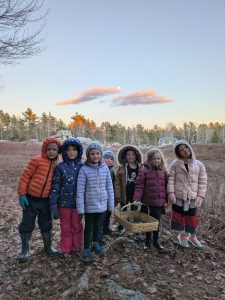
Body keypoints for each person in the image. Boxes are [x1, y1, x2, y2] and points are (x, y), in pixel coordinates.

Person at [17, 137, 61, 263]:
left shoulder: (56, 166)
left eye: (54, 149)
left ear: (58, 152)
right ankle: (25, 249)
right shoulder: (36, 161)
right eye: (49, 149)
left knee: (46, 224)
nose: (51, 152)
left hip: (46, 201)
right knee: (27, 224)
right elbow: (25, 177)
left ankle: (48, 247)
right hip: (31, 199)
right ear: (44, 149)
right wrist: (22, 194)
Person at [76, 142, 114, 262]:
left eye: (98, 153)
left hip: (102, 205)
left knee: (98, 226)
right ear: (88, 155)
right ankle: (86, 248)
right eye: (92, 154)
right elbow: (80, 190)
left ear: (101, 155)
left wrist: (110, 205)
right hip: (89, 206)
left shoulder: (105, 169)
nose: (95, 156)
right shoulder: (84, 169)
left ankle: (95, 243)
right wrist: (81, 209)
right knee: (89, 227)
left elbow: (109, 187)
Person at [167, 140, 207, 248]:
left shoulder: (199, 165)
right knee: (180, 216)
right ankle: (182, 235)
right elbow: (170, 179)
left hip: (192, 198)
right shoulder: (175, 164)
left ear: (190, 147)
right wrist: (171, 193)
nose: (185, 150)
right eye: (181, 149)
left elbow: (203, 181)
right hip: (178, 197)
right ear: (178, 152)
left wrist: (200, 195)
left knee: (192, 217)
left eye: (186, 147)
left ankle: (193, 236)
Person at [50, 137, 84, 256]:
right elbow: (55, 186)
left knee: (77, 226)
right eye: (69, 149)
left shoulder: (82, 166)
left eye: (74, 149)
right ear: (64, 151)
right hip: (64, 204)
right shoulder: (60, 167)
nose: (71, 152)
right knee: (65, 227)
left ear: (79, 151)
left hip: (78, 205)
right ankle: (65, 248)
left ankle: (77, 246)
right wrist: (53, 205)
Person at [133, 147, 167, 253]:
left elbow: (166, 185)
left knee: (156, 223)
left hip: (159, 203)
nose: (156, 161)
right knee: (148, 223)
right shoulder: (144, 170)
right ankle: (147, 242)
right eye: (154, 159)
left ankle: (156, 241)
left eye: (158, 158)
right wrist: (137, 198)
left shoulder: (163, 170)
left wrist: (167, 198)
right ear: (149, 159)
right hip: (147, 203)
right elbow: (139, 186)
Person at [114, 145, 142, 234]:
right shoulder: (122, 168)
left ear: (136, 156)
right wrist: (118, 195)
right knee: (123, 210)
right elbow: (117, 183)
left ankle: (133, 226)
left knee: (134, 210)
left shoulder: (140, 168)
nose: (131, 156)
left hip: (135, 194)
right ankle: (121, 227)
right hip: (125, 193)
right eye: (128, 155)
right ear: (125, 156)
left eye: (133, 154)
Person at [98, 150, 115, 246]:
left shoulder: (112, 171)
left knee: (108, 214)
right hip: (102, 197)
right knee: (101, 217)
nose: (109, 160)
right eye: (107, 158)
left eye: (111, 159)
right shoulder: (100, 170)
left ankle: (106, 229)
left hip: (109, 197)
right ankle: (99, 237)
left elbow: (112, 186)